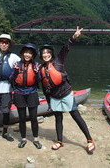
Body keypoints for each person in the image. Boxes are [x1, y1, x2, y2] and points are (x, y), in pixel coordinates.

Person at [39, 26, 96, 154]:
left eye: (48, 52)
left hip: (66, 94)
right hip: (54, 97)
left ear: (51, 54)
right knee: (58, 119)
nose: (46, 54)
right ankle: (59, 141)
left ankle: (89, 140)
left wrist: (73, 37)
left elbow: (65, 48)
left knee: (76, 116)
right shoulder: (41, 69)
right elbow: (44, 87)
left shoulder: (59, 60)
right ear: (41, 56)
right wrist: (48, 102)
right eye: (43, 53)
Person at [9, 43, 42, 149]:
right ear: (22, 53)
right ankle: (23, 139)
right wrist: (14, 71)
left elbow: (39, 80)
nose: (27, 55)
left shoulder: (36, 65)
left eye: (30, 53)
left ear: (33, 55)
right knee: (22, 118)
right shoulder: (17, 65)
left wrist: (37, 73)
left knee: (33, 118)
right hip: (19, 92)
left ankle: (35, 139)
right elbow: (11, 78)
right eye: (26, 52)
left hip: (32, 92)